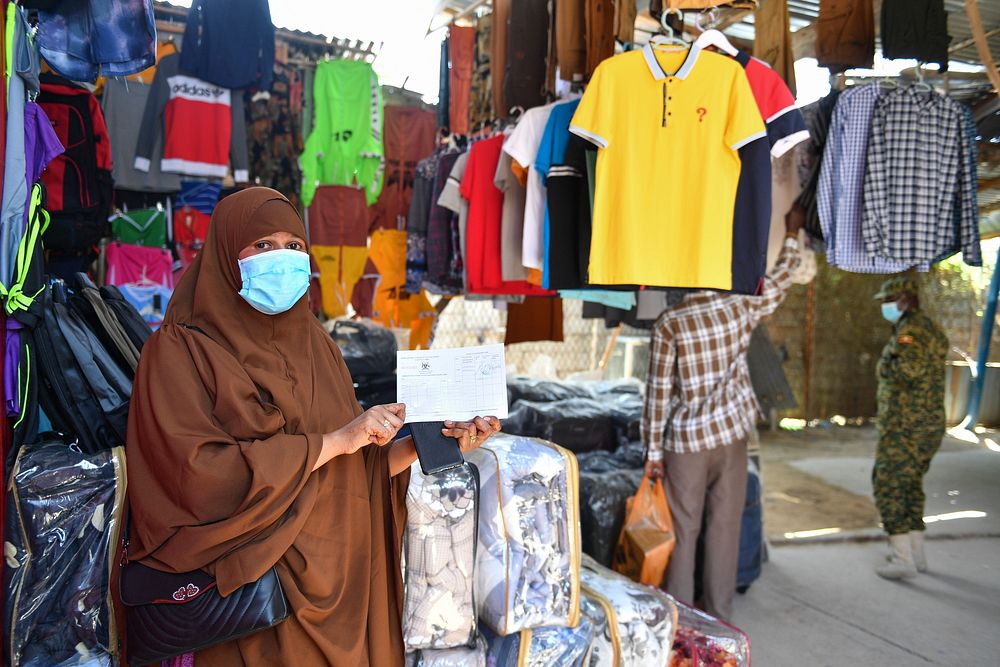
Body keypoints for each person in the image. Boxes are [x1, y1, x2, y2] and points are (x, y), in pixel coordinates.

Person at [124, 187, 500, 666]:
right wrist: (334, 441)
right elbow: (195, 479)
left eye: (294, 245)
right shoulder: (179, 352)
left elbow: (352, 471)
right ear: (225, 252)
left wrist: (436, 443)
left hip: (345, 589)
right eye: (263, 245)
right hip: (260, 602)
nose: (281, 257)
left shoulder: (318, 347)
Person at [642, 204, 804, 621]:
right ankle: (720, 623)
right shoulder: (738, 306)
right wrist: (792, 235)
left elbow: (657, 394)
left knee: (683, 529)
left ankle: (681, 624)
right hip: (732, 436)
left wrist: (652, 453)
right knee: (724, 529)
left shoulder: (669, 323)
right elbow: (782, 281)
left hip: (686, 443)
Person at [873, 276, 948, 580]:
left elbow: (909, 370)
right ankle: (916, 555)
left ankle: (901, 557)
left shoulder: (912, 332)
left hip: (907, 425)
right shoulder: (928, 327)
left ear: (903, 300)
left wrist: (887, 366)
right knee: (910, 486)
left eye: (888, 301)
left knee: (888, 484)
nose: (885, 307)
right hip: (925, 424)